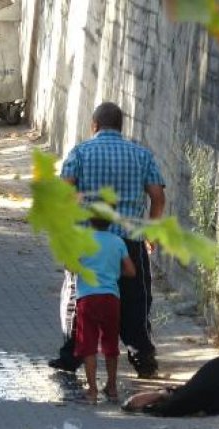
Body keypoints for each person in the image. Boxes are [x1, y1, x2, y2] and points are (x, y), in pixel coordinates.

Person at [49, 102, 166, 378]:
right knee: (135, 300)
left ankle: (71, 355)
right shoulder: (141, 155)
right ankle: (143, 358)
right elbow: (157, 196)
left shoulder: (80, 152)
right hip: (128, 241)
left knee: (79, 295)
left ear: (94, 125)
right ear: (121, 126)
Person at [75, 211, 136, 404]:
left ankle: (92, 391)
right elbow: (131, 271)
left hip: (86, 298)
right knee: (110, 343)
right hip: (111, 298)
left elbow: (70, 265)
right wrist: (113, 273)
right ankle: (111, 387)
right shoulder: (118, 242)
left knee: (89, 345)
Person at [120, 354, 219, 416]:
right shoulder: (193, 393)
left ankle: (158, 398)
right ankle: (158, 398)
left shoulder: (193, 393)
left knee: (189, 395)